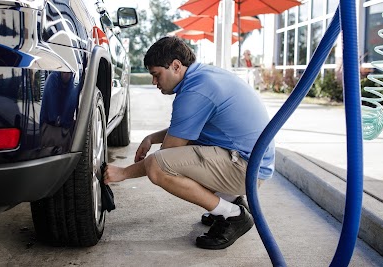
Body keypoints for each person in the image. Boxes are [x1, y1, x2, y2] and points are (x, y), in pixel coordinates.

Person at [103, 36, 275, 250]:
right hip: (250, 162)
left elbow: (166, 156)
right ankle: (229, 200)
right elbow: (187, 131)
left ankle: (233, 215)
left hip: (246, 171)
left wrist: (123, 173)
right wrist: (151, 138)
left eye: (157, 75)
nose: (154, 82)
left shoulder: (194, 92)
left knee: (159, 166)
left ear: (176, 66)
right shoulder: (203, 77)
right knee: (179, 156)